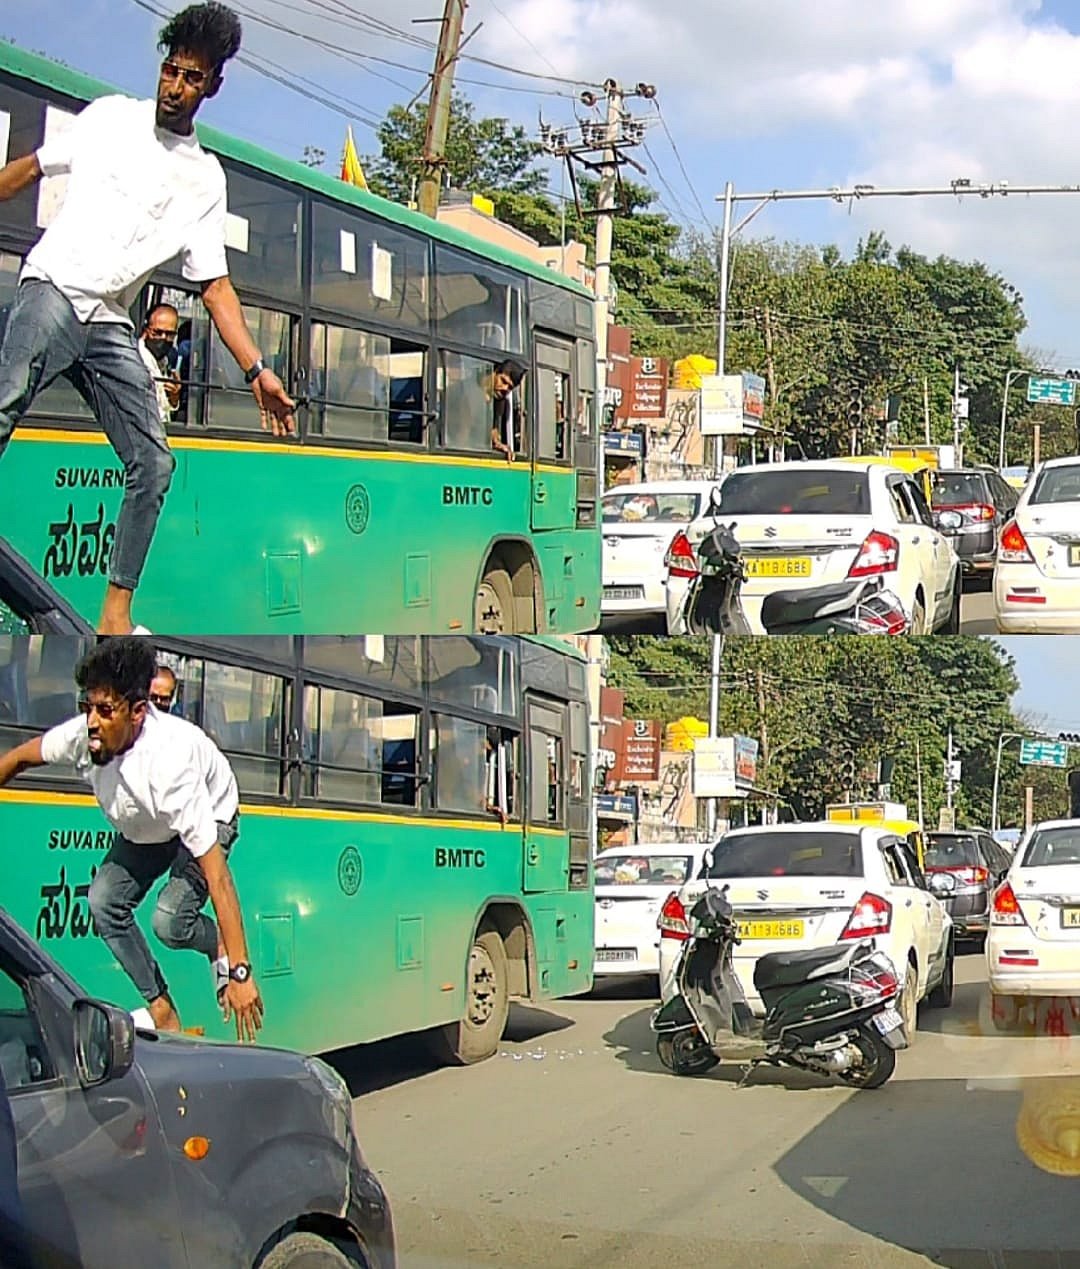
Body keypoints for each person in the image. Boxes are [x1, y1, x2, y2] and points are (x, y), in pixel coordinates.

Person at [0, 3, 296, 635]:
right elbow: (30, 169)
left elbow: (215, 288)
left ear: (212, 85)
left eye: (192, 78)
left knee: (154, 463)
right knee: (6, 392)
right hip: (55, 285)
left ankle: (116, 610)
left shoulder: (204, 180)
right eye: (170, 72)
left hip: (108, 319)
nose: (175, 88)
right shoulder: (109, 118)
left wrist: (256, 370)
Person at [0, 637, 263, 1041]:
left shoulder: (169, 767)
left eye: (105, 711)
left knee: (171, 923)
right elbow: (18, 758)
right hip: (149, 828)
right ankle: (162, 1009)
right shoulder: (82, 735)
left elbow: (219, 879)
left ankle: (215, 946)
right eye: (87, 707)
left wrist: (240, 971)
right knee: (103, 900)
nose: (92, 722)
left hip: (212, 812)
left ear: (138, 712)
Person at [137, 302, 182, 423]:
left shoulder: (164, 361)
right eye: (157, 332)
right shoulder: (135, 359)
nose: (163, 338)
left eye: (169, 334)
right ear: (146, 330)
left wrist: (173, 398)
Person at [489, 358, 526, 461]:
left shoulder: (498, 401)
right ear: (495, 372)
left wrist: (500, 445)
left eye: (510, 387)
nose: (505, 388)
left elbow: (494, 435)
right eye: (503, 381)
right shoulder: (470, 392)